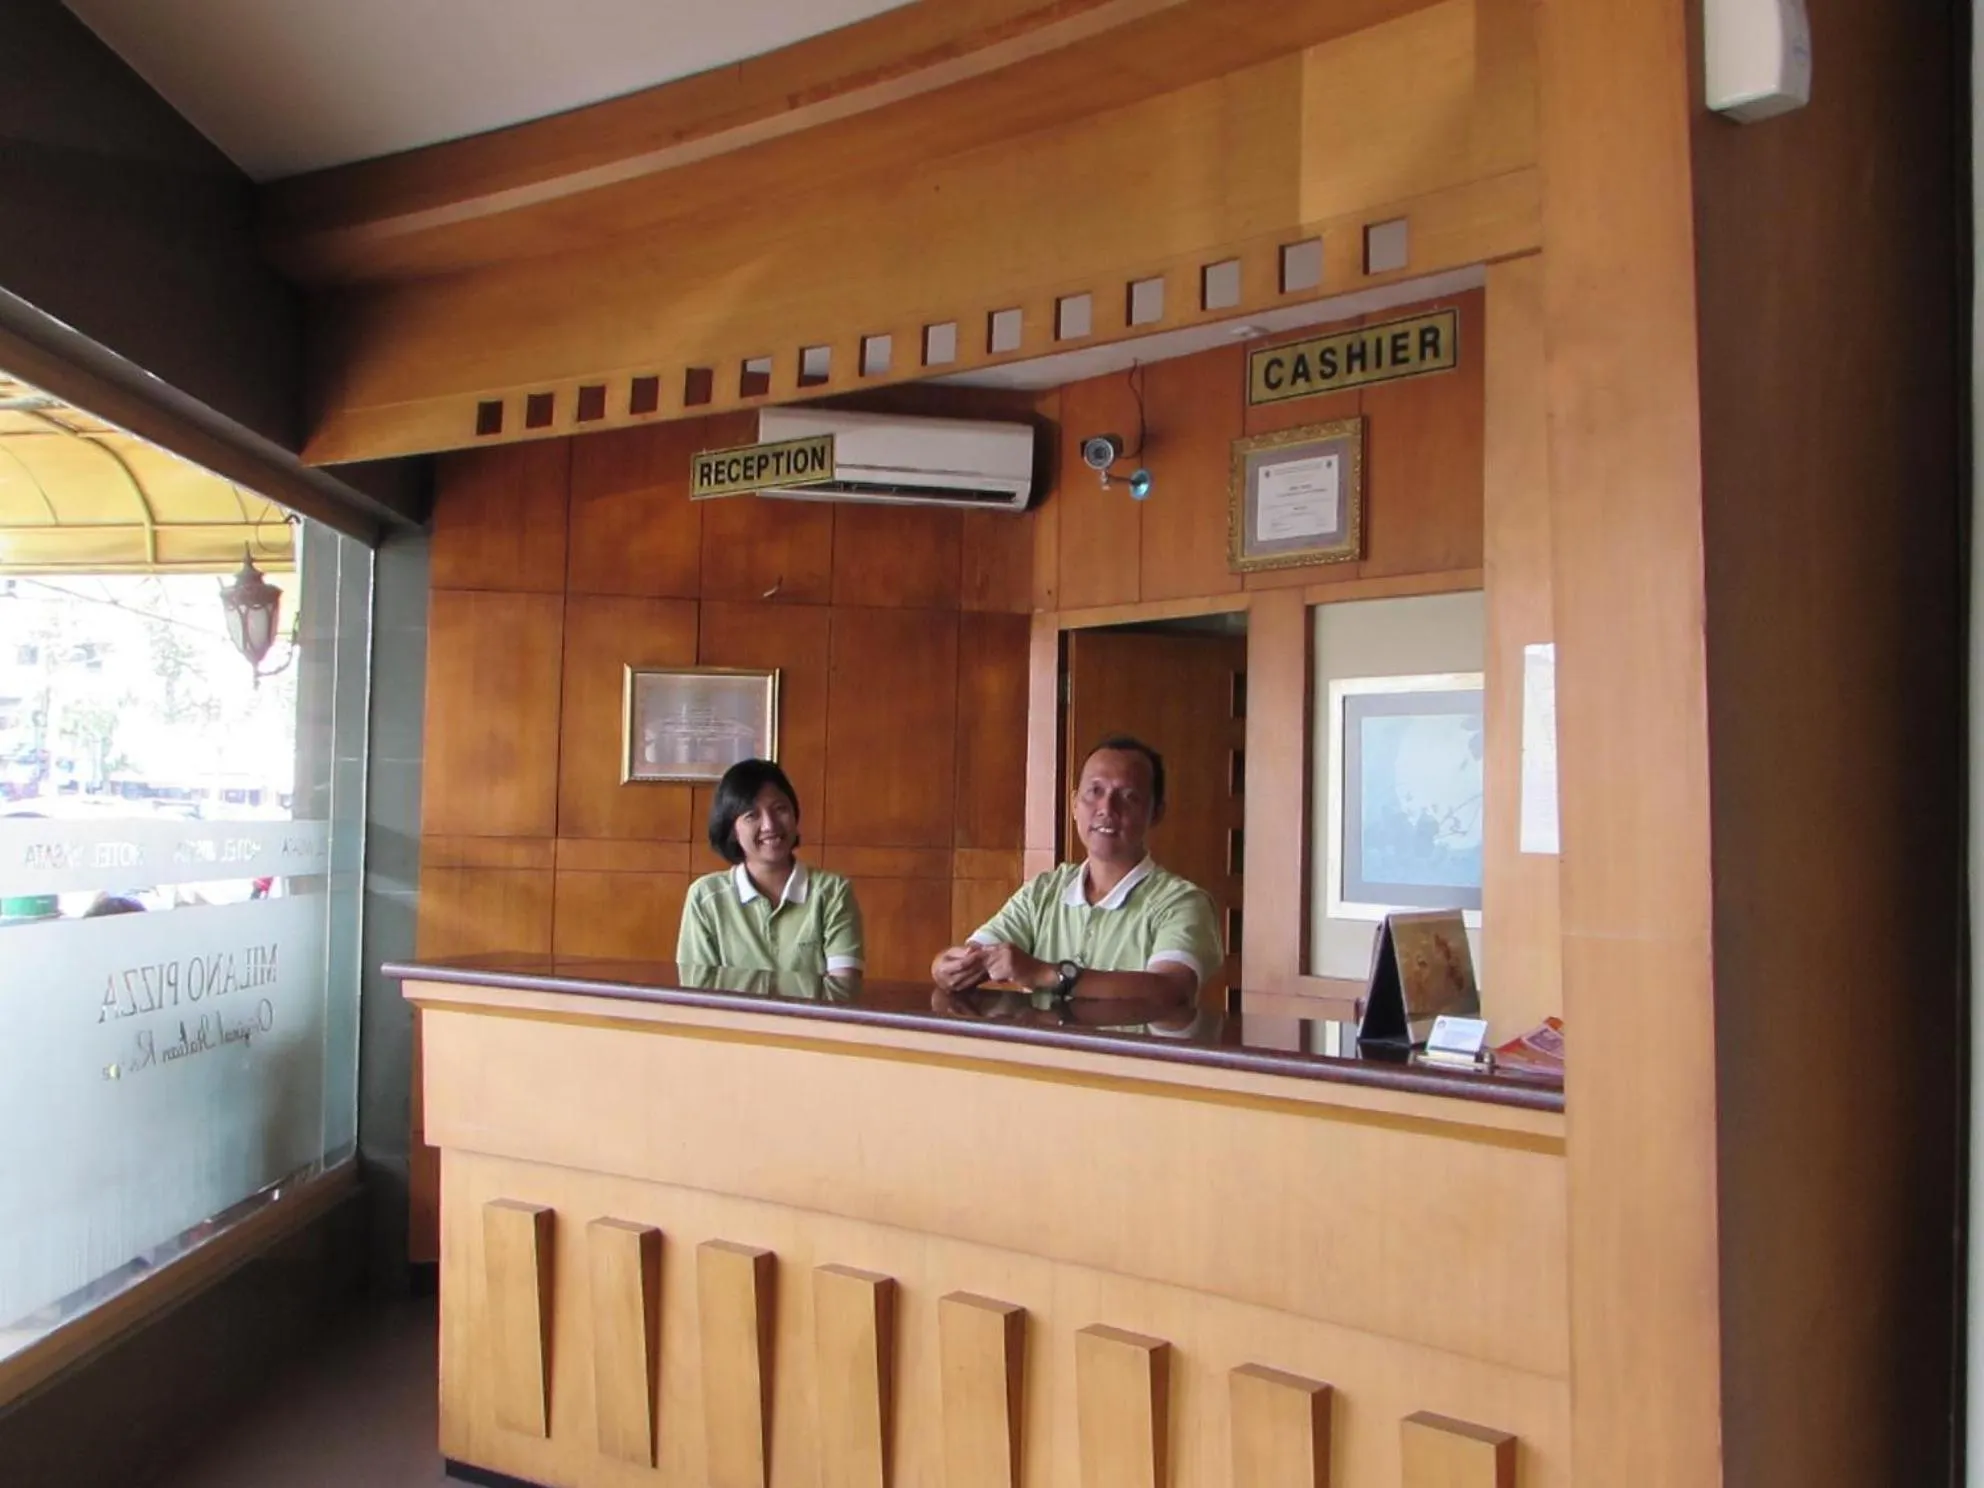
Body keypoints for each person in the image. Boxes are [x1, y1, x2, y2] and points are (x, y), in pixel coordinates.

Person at [931, 735, 1222, 1007]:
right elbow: (975, 952)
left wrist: (1045, 973)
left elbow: (1172, 989)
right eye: (1095, 791)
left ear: (1156, 812)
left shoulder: (1181, 902)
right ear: (1073, 804)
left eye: (1128, 796)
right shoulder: (1044, 891)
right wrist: (947, 967)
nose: (1106, 808)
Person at [677, 759, 864, 978]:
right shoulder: (705, 897)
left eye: (780, 809)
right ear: (732, 830)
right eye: (751, 815)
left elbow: (843, 989)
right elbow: (698, 989)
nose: (770, 825)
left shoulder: (833, 893)